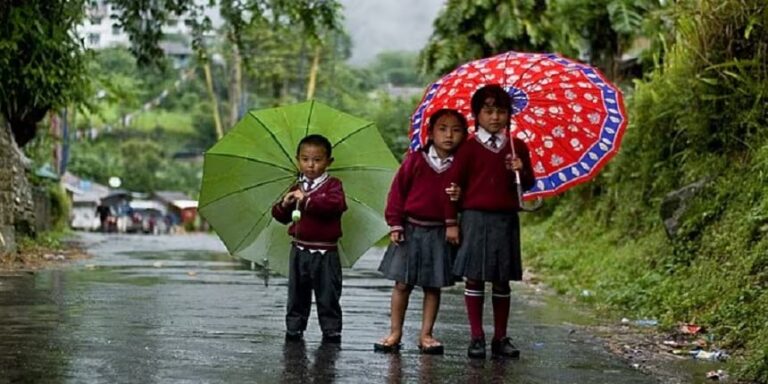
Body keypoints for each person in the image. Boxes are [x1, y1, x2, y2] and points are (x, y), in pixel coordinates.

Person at [445, 84, 535, 359]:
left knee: (501, 280)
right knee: (474, 278)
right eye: (488, 111)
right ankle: (476, 337)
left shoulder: (516, 146)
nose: (495, 117)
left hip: (505, 218)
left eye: (501, 111)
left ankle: (500, 336)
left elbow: (528, 184)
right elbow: (453, 185)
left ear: (509, 114)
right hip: (474, 218)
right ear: (476, 115)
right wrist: (451, 221)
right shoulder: (468, 148)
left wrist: (521, 170)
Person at [374, 109, 467, 355]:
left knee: (432, 285)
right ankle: (395, 331)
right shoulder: (415, 160)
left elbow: (470, 200)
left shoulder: (462, 167)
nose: (449, 135)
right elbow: (397, 193)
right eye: (442, 129)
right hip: (410, 229)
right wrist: (395, 223)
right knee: (402, 284)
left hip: (440, 232)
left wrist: (461, 198)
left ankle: (426, 334)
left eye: (456, 130)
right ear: (430, 133)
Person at [272, 134, 348, 344]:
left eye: (317, 160)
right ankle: (294, 328)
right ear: (298, 159)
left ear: (328, 162)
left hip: (326, 252)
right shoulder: (296, 187)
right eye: (305, 159)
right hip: (299, 249)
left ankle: (331, 330)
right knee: (297, 294)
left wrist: (307, 200)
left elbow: (334, 206)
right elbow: (280, 216)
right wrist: (285, 204)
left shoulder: (334, 185)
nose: (311, 165)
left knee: (328, 294)